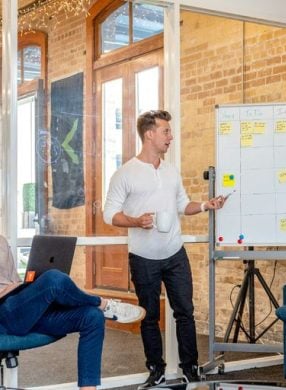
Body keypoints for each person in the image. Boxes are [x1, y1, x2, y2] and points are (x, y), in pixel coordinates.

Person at [103, 109, 225, 389]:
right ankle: (156, 370)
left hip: (175, 253)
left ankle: (190, 370)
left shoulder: (171, 171)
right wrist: (136, 220)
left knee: (185, 312)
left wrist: (206, 205)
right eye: (166, 131)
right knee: (149, 314)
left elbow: (183, 205)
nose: (171, 137)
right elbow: (110, 214)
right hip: (143, 257)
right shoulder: (126, 173)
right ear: (150, 134)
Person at [0, 235, 145, 390]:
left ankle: (88, 388)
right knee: (54, 279)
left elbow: (11, 281)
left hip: (21, 306)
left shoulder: (1, 240)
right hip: (4, 315)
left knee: (92, 316)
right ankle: (103, 304)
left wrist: (25, 286)